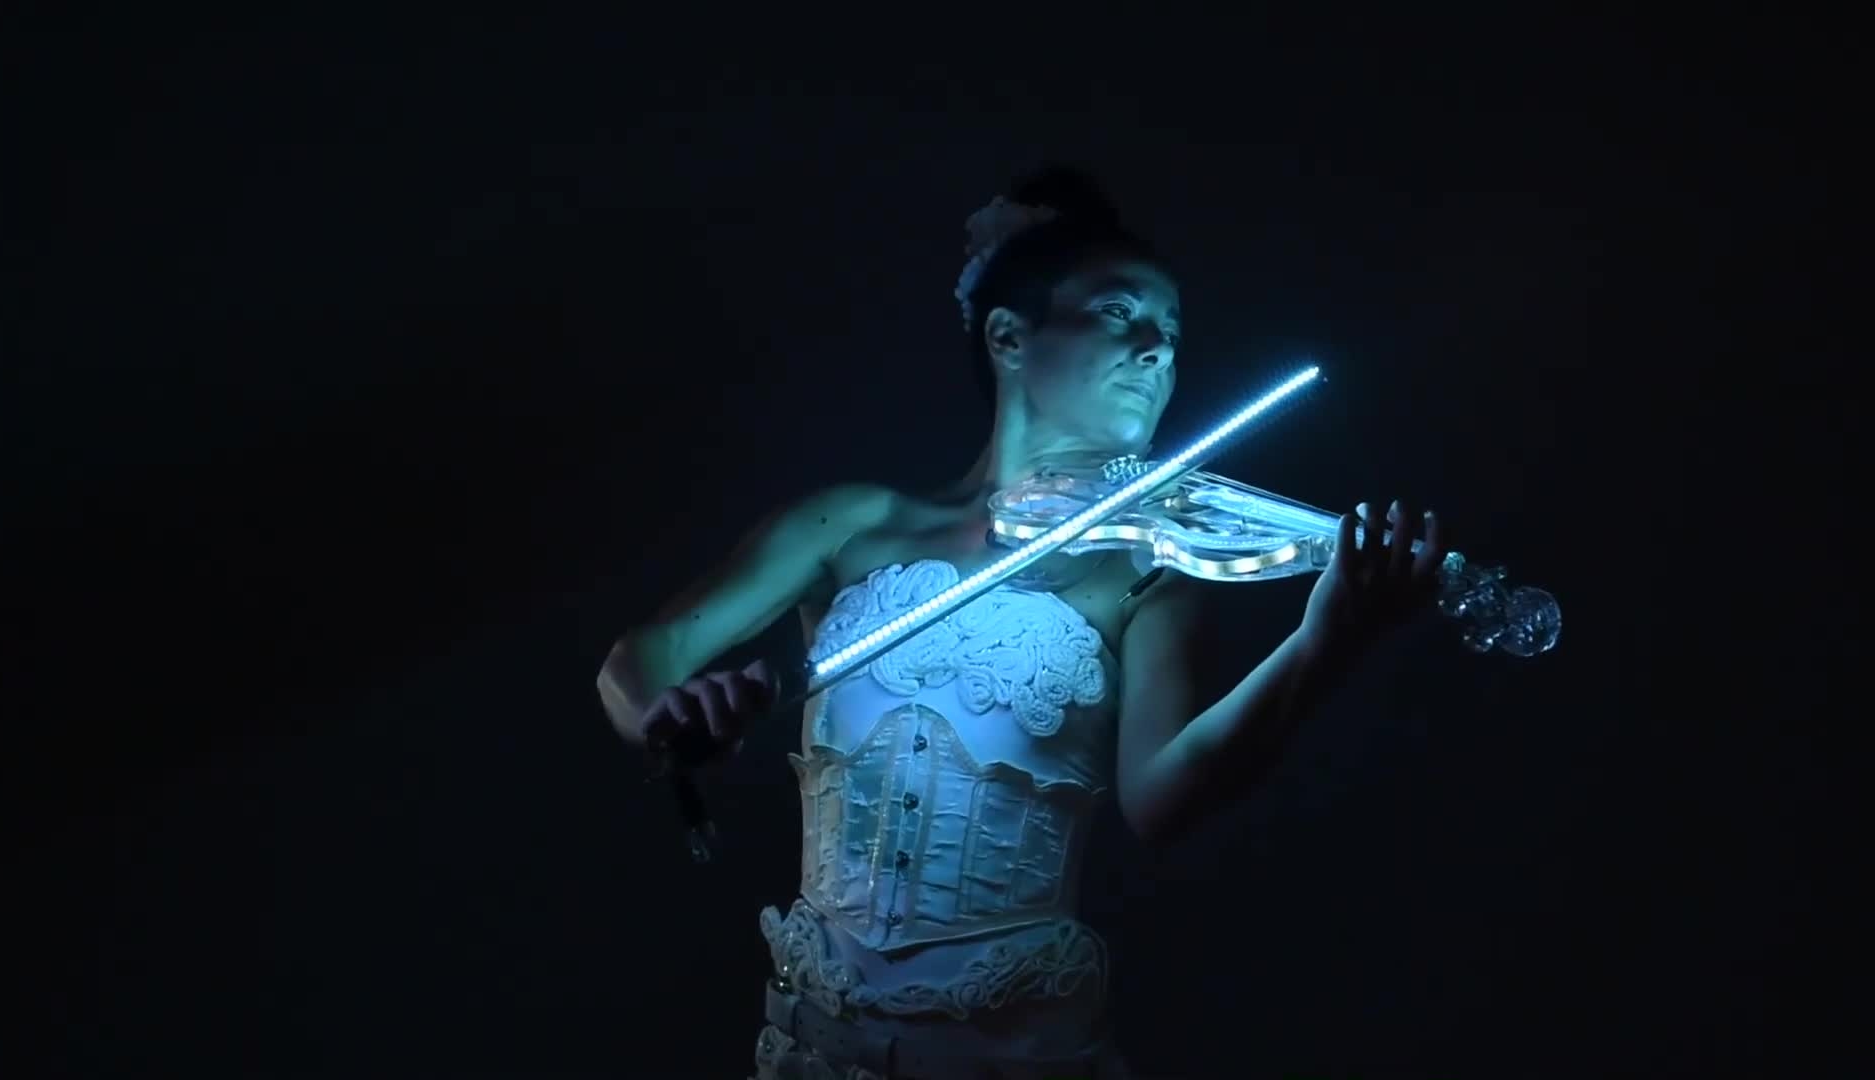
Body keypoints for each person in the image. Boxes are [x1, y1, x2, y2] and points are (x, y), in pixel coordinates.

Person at [596, 167, 1448, 1080]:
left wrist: (1326, 644)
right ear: (1008, 336)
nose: (1157, 348)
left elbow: (1163, 800)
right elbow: (640, 660)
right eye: (1120, 313)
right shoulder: (852, 524)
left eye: (1172, 333)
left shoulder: (1148, 565)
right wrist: (667, 718)